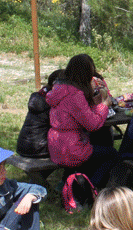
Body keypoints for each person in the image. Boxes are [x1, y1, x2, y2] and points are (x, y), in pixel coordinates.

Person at [46, 54, 119, 189]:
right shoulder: (75, 94)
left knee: (96, 148)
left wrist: (94, 104)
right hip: (71, 148)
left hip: (56, 145)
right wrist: (104, 105)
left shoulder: (59, 89)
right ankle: (90, 187)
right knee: (112, 154)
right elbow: (92, 125)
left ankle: (72, 183)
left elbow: (74, 112)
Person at [16, 69, 65, 158]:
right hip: (40, 149)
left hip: (23, 146)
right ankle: (73, 172)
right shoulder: (53, 102)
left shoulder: (40, 95)